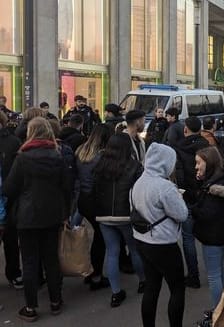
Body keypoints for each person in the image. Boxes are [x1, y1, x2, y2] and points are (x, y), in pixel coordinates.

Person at [5, 117, 71, 322]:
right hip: (52, 215)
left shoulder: (22, 158)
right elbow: (67, 188)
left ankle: (31, 306)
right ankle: (55, 300)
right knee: (51, 259)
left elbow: (9, 188)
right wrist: (65, 213)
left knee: (30, 261)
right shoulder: (58, 156)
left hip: (27, 215)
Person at [132, 143, 189, 327]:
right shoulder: (165, 186)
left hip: (141, 239)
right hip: (163, 243)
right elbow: (182, 214)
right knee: (177, 289)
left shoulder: (138, 182)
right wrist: (179, 198)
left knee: (152, 287)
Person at [93, 133, 146, 307]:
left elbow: (93, 187)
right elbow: (140, 190)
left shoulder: (100, 164)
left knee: (112, 252)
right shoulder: (134, 165)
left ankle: (116, 293)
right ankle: (143, 282)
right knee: (134, 250)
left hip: (104, 215)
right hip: (126, 215)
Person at [192, 146, 224, 325]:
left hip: (212, 234)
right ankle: (222, 309)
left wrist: (191, 208)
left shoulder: (214, 187)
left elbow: (207, 212)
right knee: (219, 271)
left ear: (210, 162)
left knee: (214, 275)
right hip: (222, 231)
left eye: (199, 163)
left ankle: (219, 315)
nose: (196, 167)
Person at [75, 124, 113, 289]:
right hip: (96, 201)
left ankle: (92, 272)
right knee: (101, 237)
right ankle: (95, 274)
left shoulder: (82, 151)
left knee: (98, 236)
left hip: (83, 199)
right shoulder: (102, 156)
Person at [173, 116, 209, 289]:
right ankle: (215, 268)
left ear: (185, 129)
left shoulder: (178, 148)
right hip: (205, 196)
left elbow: (178, 175)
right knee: (209, 236)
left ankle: (193, 275)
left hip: (186, 196)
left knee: (188, 238)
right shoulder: (207, 146)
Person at [0, 111, 23, 290]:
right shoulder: (13, 141)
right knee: (10, 240)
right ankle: (14, 274)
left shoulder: (12, 142)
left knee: (10, 239)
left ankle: (14, 273)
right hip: (10, 197)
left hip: (8, 197)